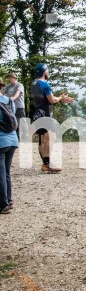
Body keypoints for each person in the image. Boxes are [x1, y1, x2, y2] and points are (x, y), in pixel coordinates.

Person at [30, 63, 73, 173]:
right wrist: (60, 98)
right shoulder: (45, 85)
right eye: (47, 71)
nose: (48, 73)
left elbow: (43, 99)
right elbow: (52, 100)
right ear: (44, 71)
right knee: (50, 137)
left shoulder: (34, 84)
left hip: (36, 114)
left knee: (42, 139)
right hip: (45, 114)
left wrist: (60, 99)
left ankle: (45, 163)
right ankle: (47, 164)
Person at [0, 76, 19, 213]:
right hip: (12, 139)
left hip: (1, 141)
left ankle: (3, 204)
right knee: (6, 172)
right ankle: (9, 200)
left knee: (1, 173)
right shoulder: (9, 101)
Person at [3, 72, 25, 137]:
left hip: (19, 107)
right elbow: (2, 93)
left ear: (14, 78)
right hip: (11, 108)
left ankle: (25, 136)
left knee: (22, 122)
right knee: (14, 122)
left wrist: (13, 98)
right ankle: (17, 136)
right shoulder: (8, 87)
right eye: (8, 78)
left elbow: (17, 93)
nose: (8, 80)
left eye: (10, 78)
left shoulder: (19, 85)